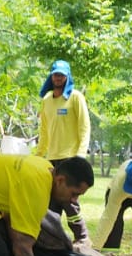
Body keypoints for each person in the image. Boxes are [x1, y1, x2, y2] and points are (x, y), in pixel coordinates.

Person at [34, 59, 92, 243]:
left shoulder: (75, 97)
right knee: (51, 202)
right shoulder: (46, 100)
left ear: (67, 77)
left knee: (70, 200)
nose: (58, 78)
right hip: (51, 158)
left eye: (62, 75)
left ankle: (82, 237)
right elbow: (44, 131)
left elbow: (85, 127)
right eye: (55, 75)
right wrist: (38, 155)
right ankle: (54, 238)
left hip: (70, 158)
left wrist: (80, 156)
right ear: (51, 76)